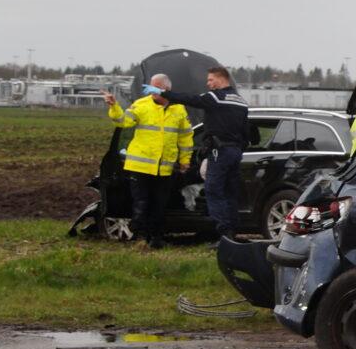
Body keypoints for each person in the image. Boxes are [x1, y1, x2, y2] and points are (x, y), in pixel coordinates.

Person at [159, 66, 250, 241]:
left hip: (220, 150)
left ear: (221, 79)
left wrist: (165, 93)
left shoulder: (215, 97)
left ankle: (224, 234)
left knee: (213, 190)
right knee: (230, 192)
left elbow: (189, 99)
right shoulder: (240, 101)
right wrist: (239, 149)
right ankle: (232, 231)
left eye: (210, 80)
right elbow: (246, 131)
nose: (207, 83)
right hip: (235, 151)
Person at [103, 74, 193, 248]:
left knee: (160, 205)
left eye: (155, 87)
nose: (151, 90)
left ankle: (157, 238)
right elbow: (123, 121)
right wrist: (114, 106)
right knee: (141, 203)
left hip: (164, 168)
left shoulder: (179, 109)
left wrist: (185, 160)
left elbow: (186, 137)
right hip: (140, 166)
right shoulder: (141, 104)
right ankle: (140, 238)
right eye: (150, 87)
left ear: (166, 89)